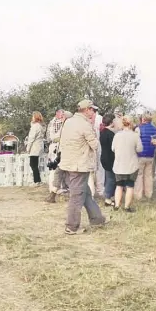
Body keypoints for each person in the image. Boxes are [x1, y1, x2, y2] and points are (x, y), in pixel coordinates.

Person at [58, 100, 107, 234]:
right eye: (92, 110)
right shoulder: (85, 124)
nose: (93, 112)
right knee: (77, 196)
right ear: (87, 110)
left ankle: (97, 219)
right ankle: (71, 226)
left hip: (68, 163)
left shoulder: (69, 121)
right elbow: (95, 145)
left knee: (85, 193)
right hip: (79, 165)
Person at [112, 116, 143, 212]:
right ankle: (127, 207)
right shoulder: (135, 135)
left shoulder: (117, 135)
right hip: (131, 165)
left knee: (119, 185)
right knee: (130, 186)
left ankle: (117, 205)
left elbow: (113, 148)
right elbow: (139, 149)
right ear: (131, 123)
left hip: (119, 164)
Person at [45, 109, 69, 203]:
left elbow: (49, 137)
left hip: (57, 148)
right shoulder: (56, 123)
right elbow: (52, 137)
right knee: (55, 170)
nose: (61, 116)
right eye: (61, 114)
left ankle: (53, 191)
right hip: (57, 149)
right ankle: (54, 190)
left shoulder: (53, 123)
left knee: (56, 170)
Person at [135, 113, 156, 200]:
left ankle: (138, 195)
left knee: (139, 175)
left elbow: (136, 142)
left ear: (143, 119)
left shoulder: (139, 128)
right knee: (148, 175)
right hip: (151, 155)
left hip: (140, 155)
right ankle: (149, 194)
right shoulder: (155, 129)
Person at [99, 113, 117, 206]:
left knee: (109, 178)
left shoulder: (102, 132)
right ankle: (108, 198)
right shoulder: (110, 133)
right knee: (111, 179)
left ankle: (110, 196)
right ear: (111, 122)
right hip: (110, 158)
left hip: (104, 157)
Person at [25, 111, 45, 186]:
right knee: (35, 164)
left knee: (33, 164)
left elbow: (31, 138)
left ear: (35, 117)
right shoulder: (40, 125)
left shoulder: (35, 126)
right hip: (39, 146)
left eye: (33, 116)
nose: (32, 117)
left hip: (34, 147)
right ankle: (37, 180)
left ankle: (36, 181)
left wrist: (28, 148)